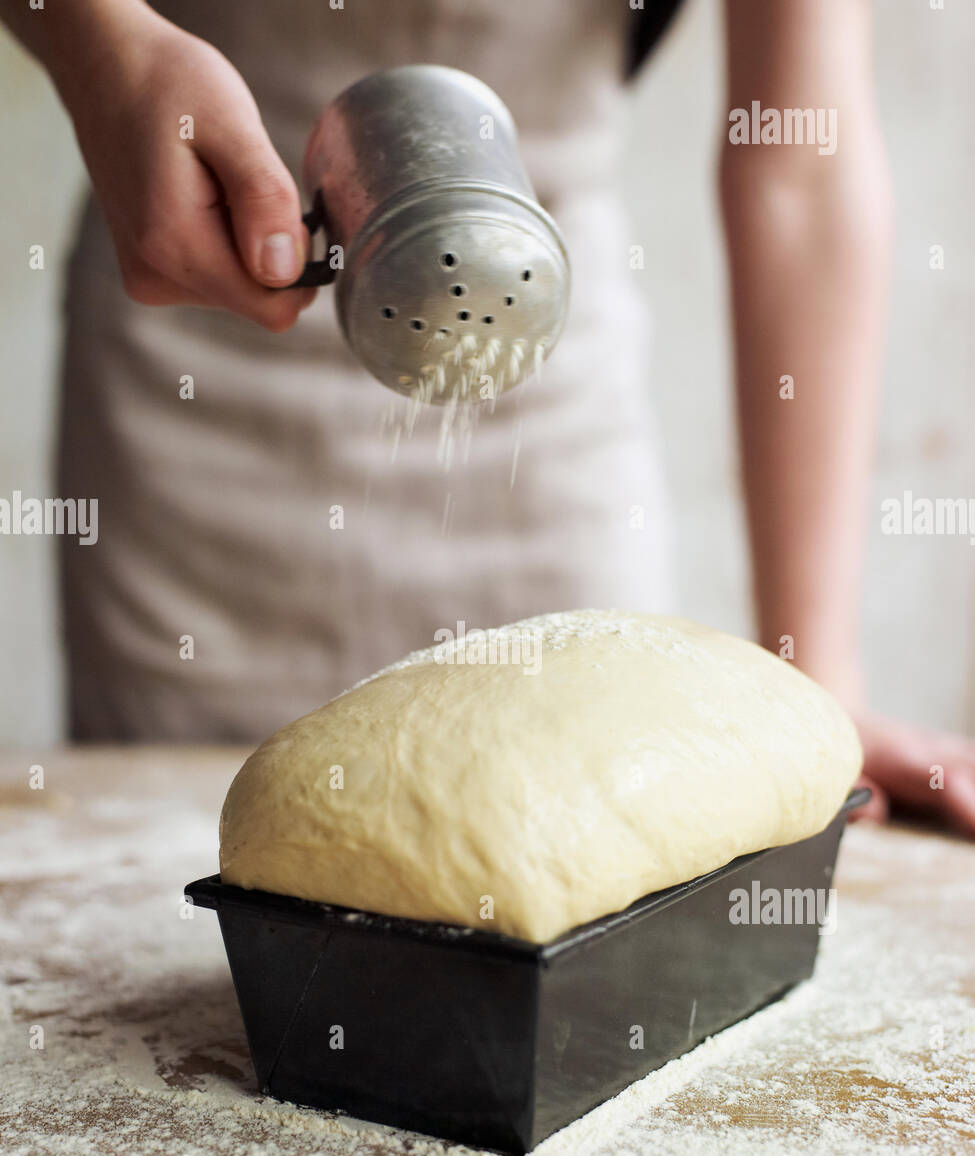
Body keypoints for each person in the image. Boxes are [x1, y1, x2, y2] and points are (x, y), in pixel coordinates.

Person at [4, 0, 974, 832]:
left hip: (538, 393)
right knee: (179, 871)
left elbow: (800, 167)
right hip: (194, 391)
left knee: (572, 826)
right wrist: (104, 47)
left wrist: (815, 679)